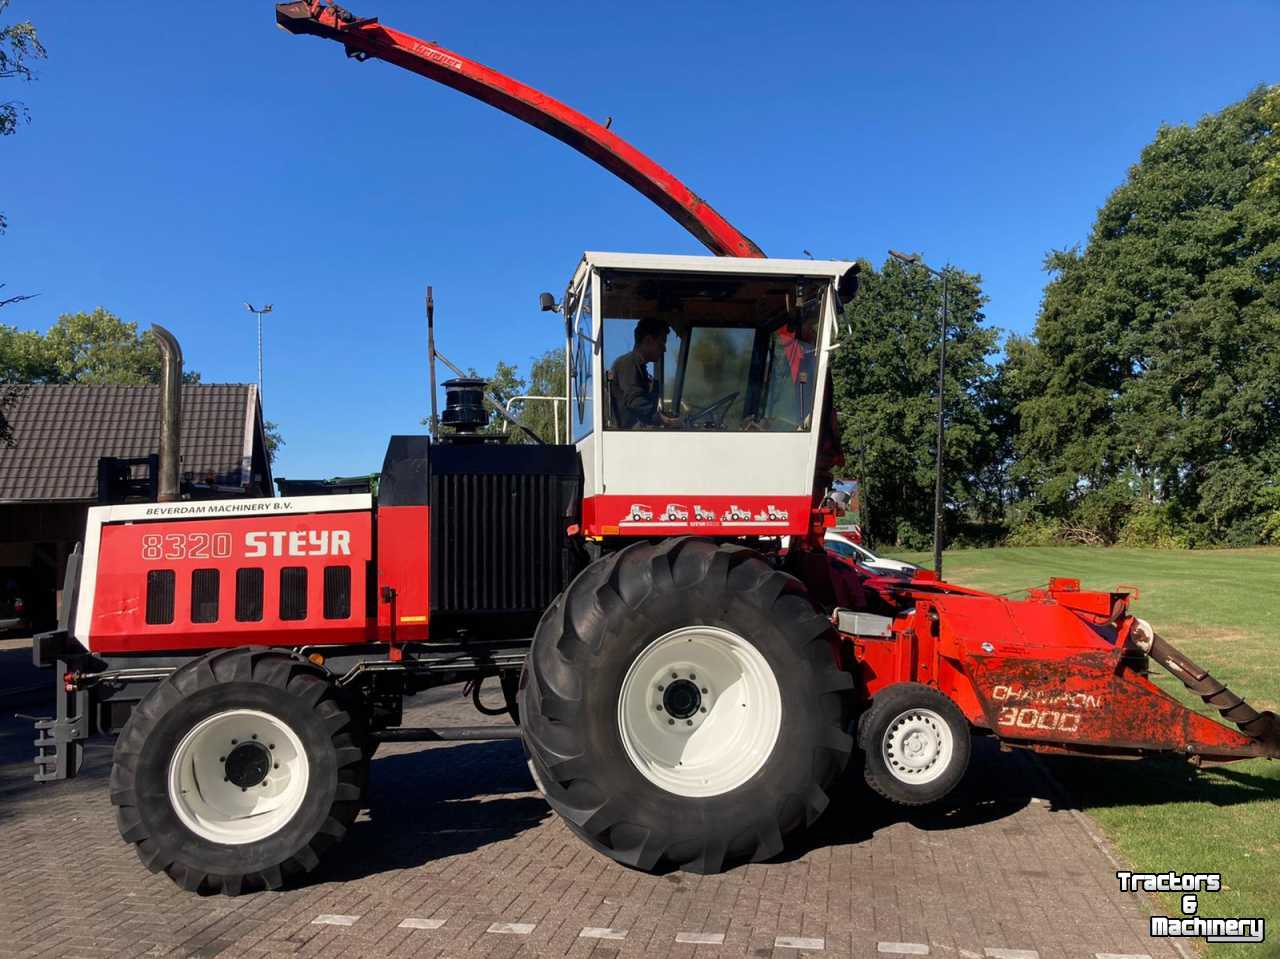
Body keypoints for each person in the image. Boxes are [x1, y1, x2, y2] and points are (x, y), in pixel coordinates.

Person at [609, 318, 680, 428]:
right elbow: (634, 401)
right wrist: (661, 419)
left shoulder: (640, 369)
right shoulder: (628, 364)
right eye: (661, 343)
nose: (664, 349)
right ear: (648, 340)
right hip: (627, 439)